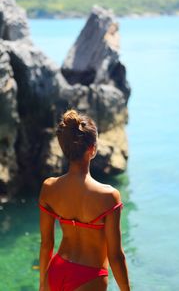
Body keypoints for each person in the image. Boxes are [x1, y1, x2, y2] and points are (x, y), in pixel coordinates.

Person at [38, 109, 130, 291]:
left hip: (56, 271)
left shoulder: (49, 187)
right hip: (89, 277)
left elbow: (47, 244)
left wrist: (43, 283)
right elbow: (115, 256)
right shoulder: (108, 196)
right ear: (93, 149)